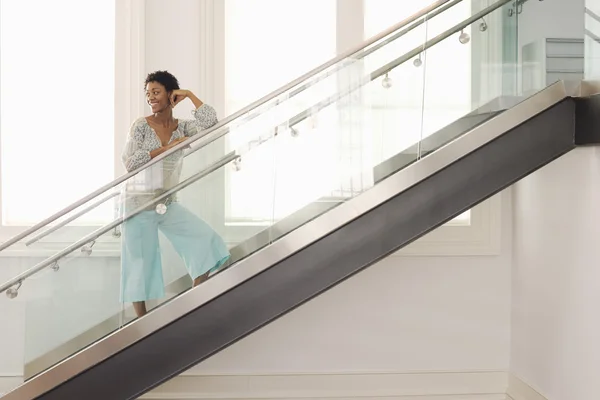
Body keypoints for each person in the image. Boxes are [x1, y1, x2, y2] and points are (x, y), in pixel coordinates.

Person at [120, 70, 230, 318]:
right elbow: (130, 163)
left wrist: (190, 95)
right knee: (141, 264)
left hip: (166, 202)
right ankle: (142, 323)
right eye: (148, 94)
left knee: (205, 239)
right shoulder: (140, 126)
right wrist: (166, 149)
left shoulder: (182, 128)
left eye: (156, 92)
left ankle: (193, 302)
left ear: (171, 95)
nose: (151, 98)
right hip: (137, 203)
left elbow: (211, 122)